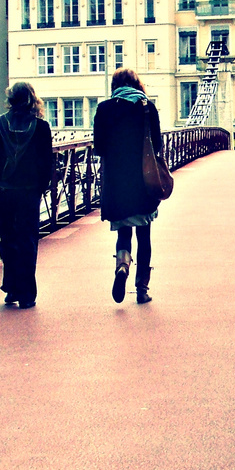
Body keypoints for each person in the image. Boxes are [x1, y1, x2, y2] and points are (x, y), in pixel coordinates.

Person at [0, 82, 55, 308]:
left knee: (8, 238)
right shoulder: (41, 128)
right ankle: (27, 294)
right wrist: (41, 188)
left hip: (3, 191)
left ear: (10, 99)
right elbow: (47, 163)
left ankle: (11, 288)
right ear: (33, 99)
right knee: (28, 240)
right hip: (28, 192)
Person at [94, 68, 162, 304]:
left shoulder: (104, 109)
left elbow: (99, 148)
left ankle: (122, 266)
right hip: (143, 180)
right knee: (144, 235)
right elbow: (159, 145)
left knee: (124, 232)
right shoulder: (146, 107)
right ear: (136, 84)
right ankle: (142, 288)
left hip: (117, 183)